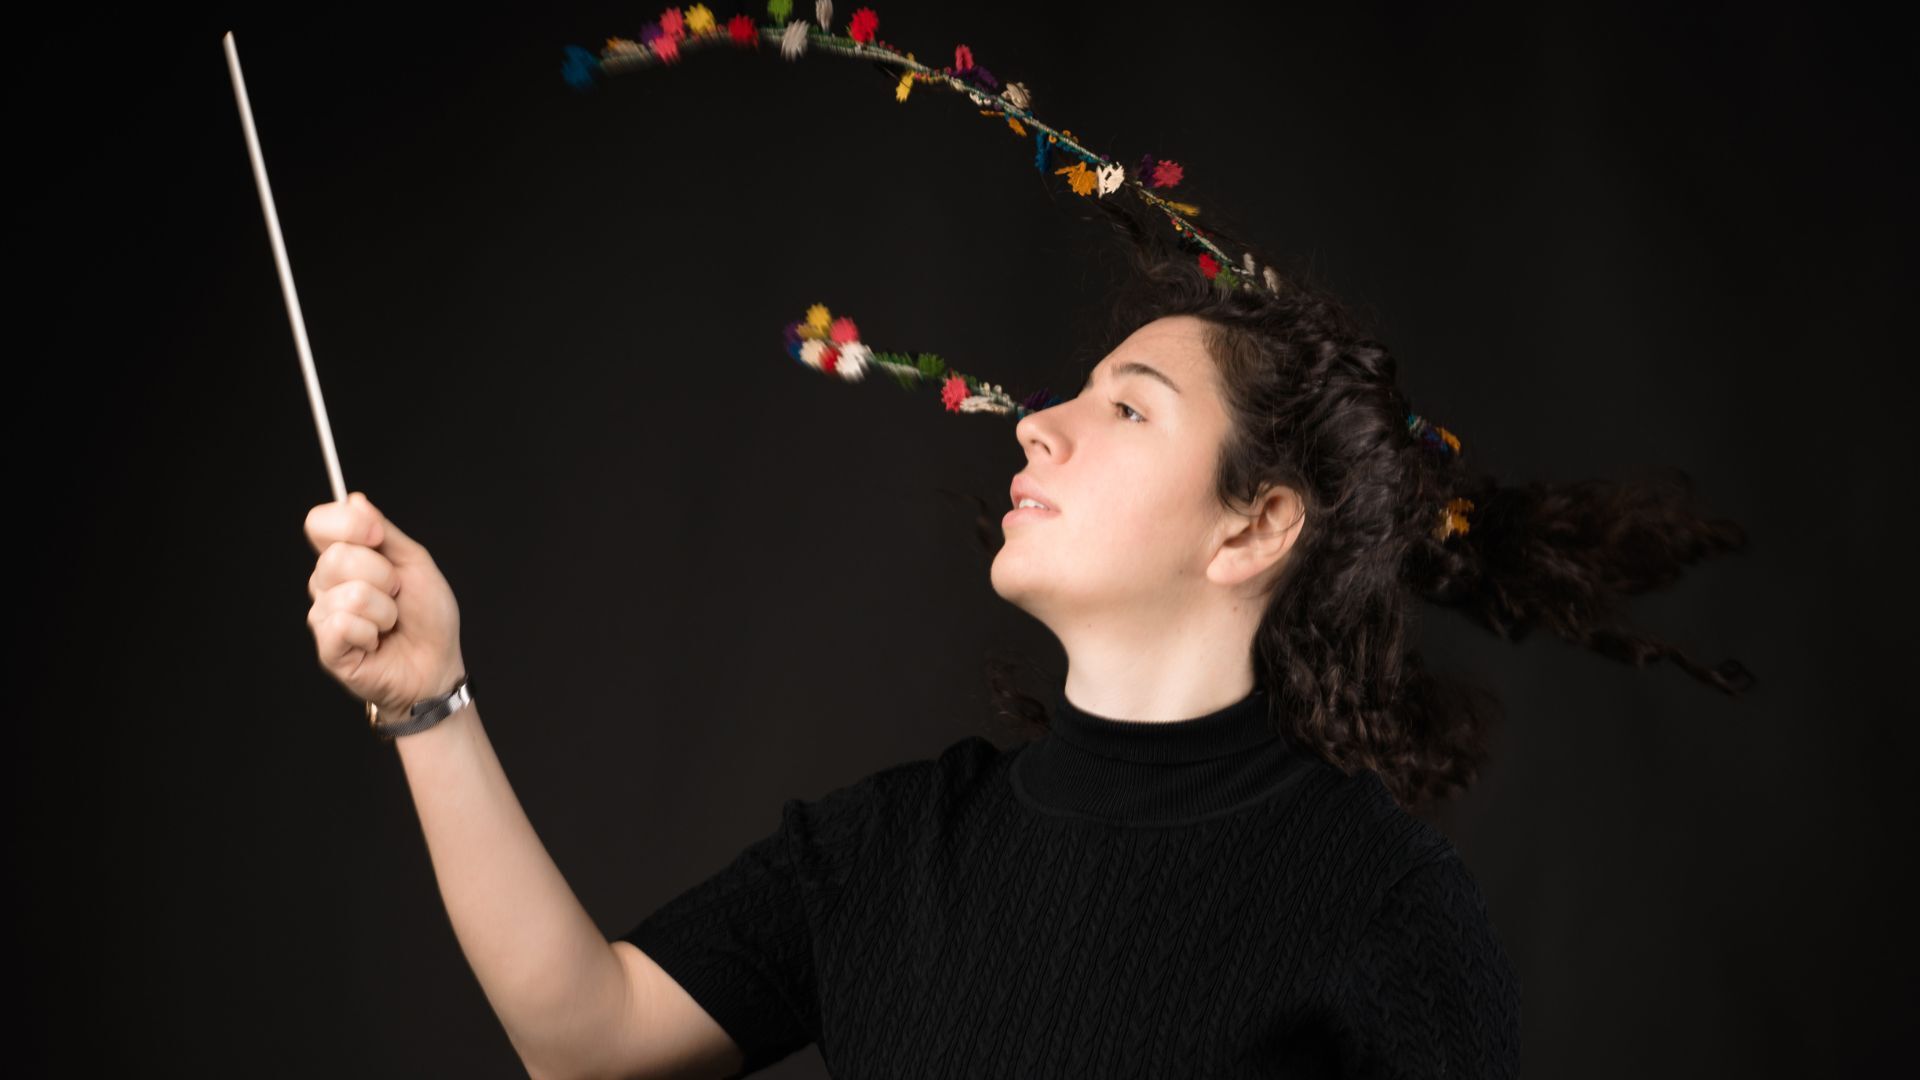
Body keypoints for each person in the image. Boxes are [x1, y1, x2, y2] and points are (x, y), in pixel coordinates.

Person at [302, 212, 1750, 1079]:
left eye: (1125, 407)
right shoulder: (895, 850)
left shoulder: (1386, 915)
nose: (1036, 426)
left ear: (1253, 527)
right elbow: (591, 1042)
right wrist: (430, 704)